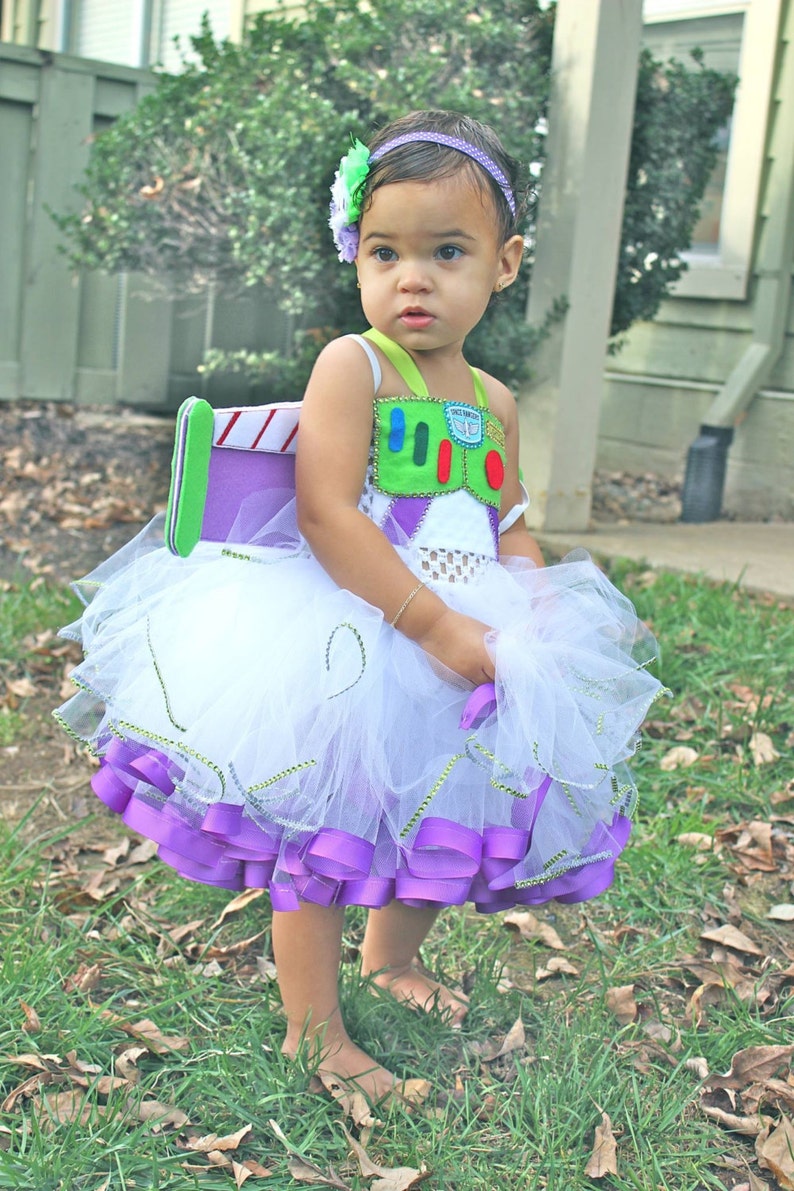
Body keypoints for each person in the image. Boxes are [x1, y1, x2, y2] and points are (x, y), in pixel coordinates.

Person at [56, 109, 665, 1106]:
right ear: (356, 255)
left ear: (505, 264)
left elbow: (507, 521)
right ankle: (314, 1029)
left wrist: (533, 604)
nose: (411, 279)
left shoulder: (494, 401)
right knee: (326, 824)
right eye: (385, 252)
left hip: (468, 629)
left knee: (443, 806)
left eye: (446, 252)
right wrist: (429, 624)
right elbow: (328, 514)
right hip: (359, 627)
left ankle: (391, 958)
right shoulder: (356, 365)